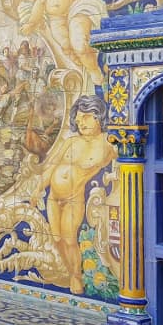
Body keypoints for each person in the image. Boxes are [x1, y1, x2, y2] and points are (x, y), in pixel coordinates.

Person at [32, 95, 116, 294]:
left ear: (98, 116)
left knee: (70, 239)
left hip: (74, 198)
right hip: (53, 197)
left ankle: (76, 276)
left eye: (85, 118)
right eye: (78, 120)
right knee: (57, 238)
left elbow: (125, 158)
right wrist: (38, 189)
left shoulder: (107, 144)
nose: (81, 123)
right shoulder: (71, 142)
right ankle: (71, 272)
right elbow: (52, 166)